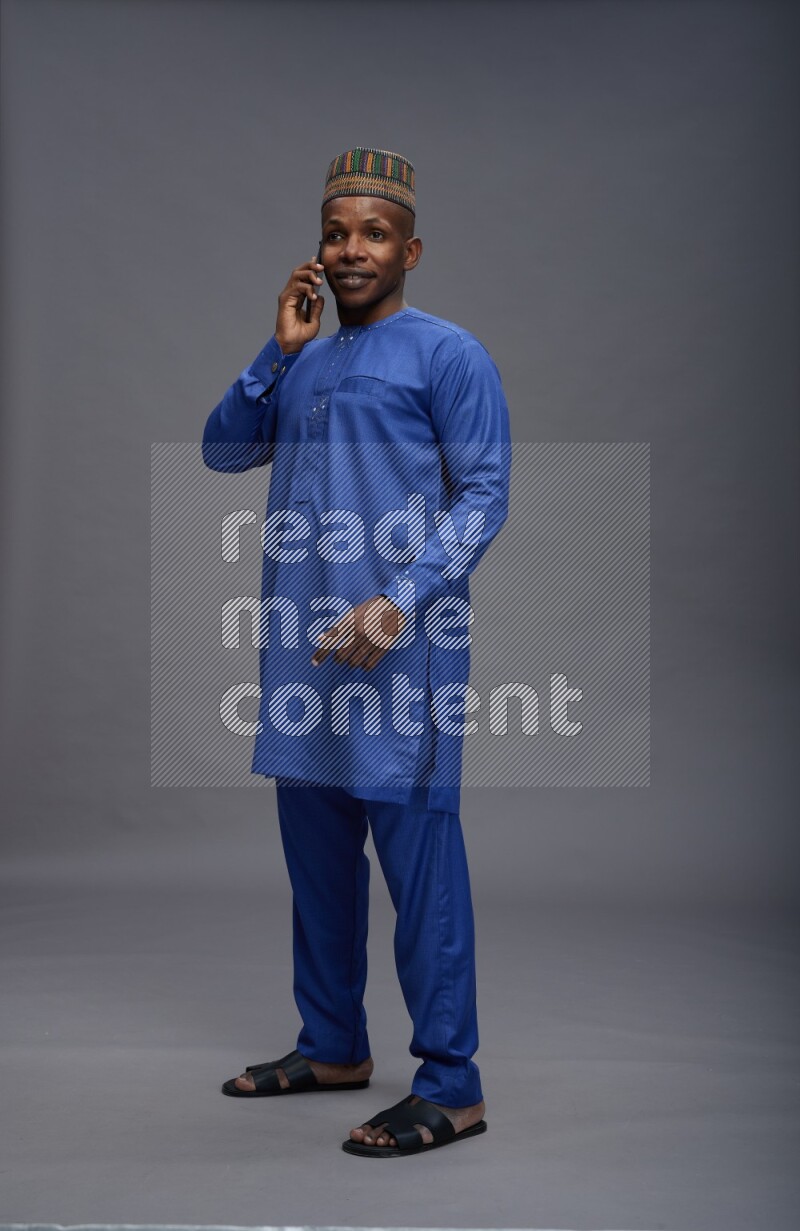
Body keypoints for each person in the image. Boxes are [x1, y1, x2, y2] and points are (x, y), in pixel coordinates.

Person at [202, 147, 511, 1156]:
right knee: (318, 863)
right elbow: (221, 446)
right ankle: (332, 1042)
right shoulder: (304, 359)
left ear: (409, 247)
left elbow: (484, 497)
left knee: (419, 872)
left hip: (397, 656)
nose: (349, 250)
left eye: (372, 233)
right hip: (301, 651)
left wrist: (398, 604)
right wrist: (275, 350)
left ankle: (452, 1082)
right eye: (336, 232)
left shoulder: (446, 353)